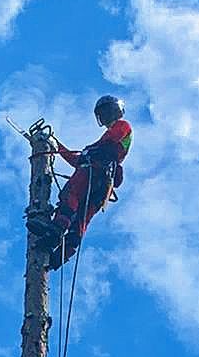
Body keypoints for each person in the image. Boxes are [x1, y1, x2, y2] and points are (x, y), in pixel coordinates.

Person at [28, 95, 132, 269]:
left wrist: (89, 150)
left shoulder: (122, 126)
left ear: (115, 111)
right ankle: (61, 254)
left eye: (106, 112)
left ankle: (56, 230)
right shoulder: (98, 148)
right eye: (102, 114)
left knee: (71, 195)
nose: (105, 117)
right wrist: (57, 145)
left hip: (94, 171)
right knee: (81, 218)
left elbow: (108, 141)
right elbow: (75, 160)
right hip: (102, 184)